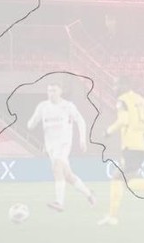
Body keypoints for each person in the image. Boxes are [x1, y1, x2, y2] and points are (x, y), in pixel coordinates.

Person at [98, 77, 144, 226]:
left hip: (130, 146)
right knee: (123, 180)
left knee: (121, 180)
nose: (115, 88)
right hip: (141, 146)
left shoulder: (123, 100)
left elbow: (123, 121)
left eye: (117, 85)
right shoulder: (143, 101)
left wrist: (108, 131)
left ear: (125, 85)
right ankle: (112, 216)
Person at [27, 81, 96, 211]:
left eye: (54, 90)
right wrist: (31, 124)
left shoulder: (68, 106)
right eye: (49, 91)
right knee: (68, 176)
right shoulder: (43, 107)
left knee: (56, 168)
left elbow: (81, 121)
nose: (51, 93)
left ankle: (59, 202)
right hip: (51, 146)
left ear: (60, 92)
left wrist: (82, 140)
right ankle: (89, 194)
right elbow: (32, 123)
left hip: (64, 143)